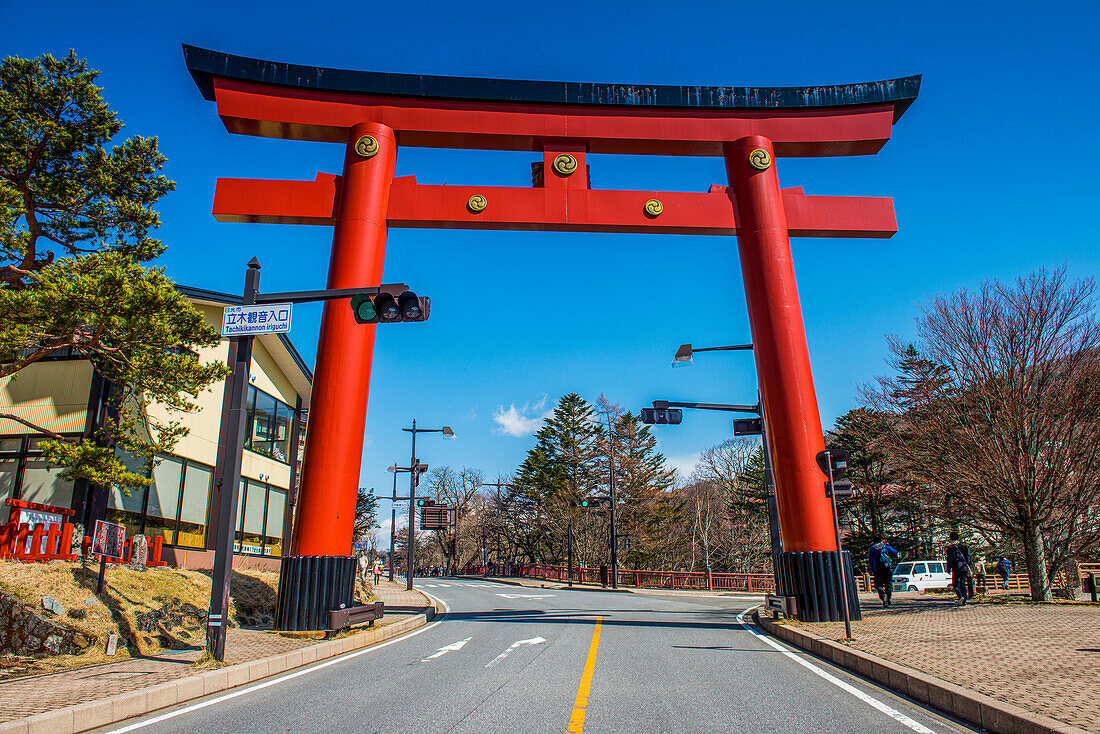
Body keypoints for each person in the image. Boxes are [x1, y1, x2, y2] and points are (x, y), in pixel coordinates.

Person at [868, 536, 899, 607]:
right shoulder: (886, 546)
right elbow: (895, 553)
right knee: (888, 583)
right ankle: (888, 599)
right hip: (887, 568)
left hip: (877, 570)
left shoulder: (872, 549)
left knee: (878, 585)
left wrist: (872, 570)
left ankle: (882, 596)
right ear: (881, 540)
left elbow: (870, 561)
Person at [946, 531, 971, 605]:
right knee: (963, 583)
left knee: (955, 584)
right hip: (964, 567)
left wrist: (948, 568)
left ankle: (960, 597)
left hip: (956, 567)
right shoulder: (963, 547)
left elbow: (950, 558)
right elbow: (967, 558)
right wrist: (969, 566)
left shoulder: (951, 548)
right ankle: (965, 600)